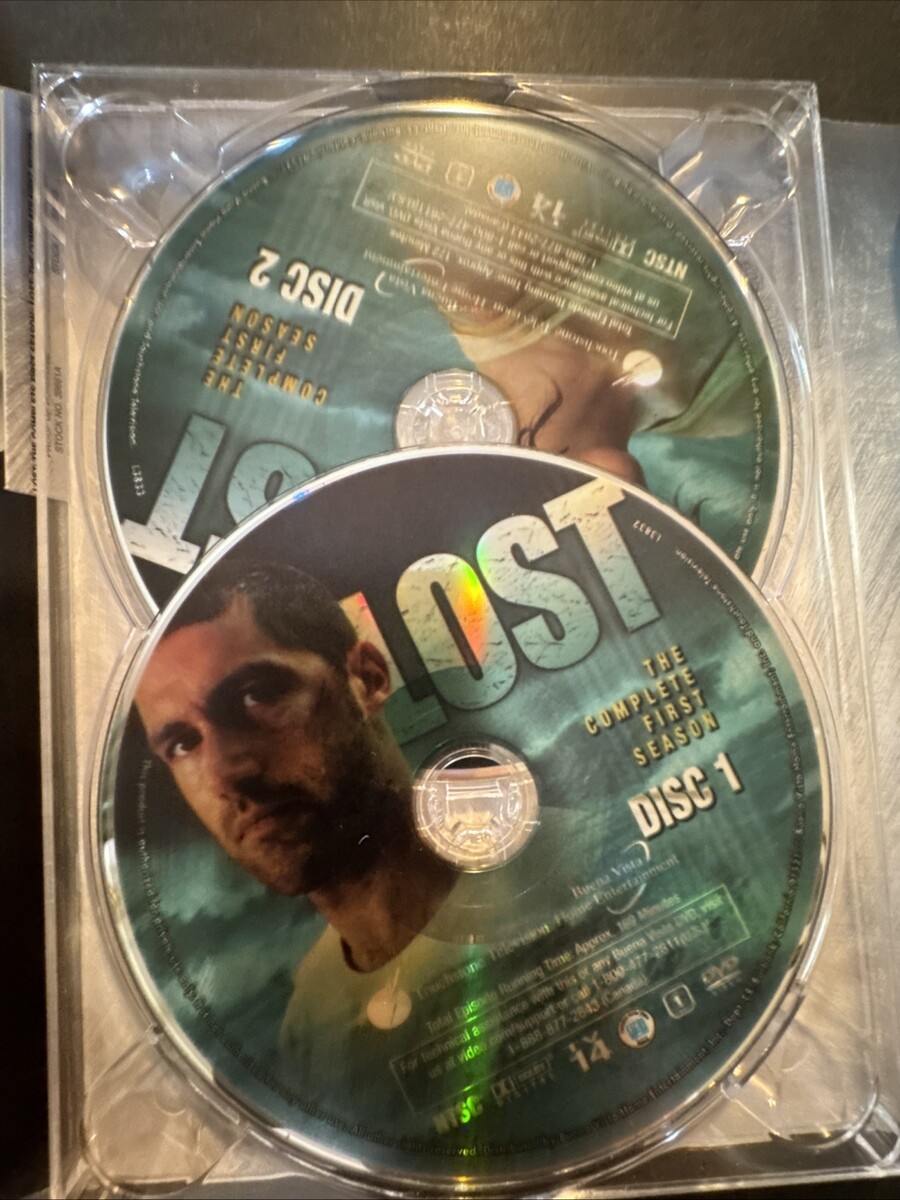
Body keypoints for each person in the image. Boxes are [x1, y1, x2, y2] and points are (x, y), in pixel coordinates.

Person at [134, 559, 457, 975]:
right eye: (182, 743)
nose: (224, 772)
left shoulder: (544, 875)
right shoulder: (311, 1007)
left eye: (257, 695)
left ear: (368, 678)